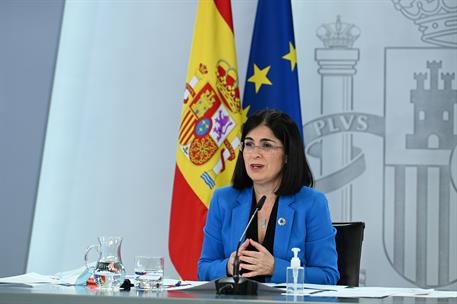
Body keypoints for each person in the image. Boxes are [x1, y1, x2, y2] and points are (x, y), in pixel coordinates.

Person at [197, 109, 339, 284]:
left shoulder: (311, 203)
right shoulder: (224, 199)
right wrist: (227, 266)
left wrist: (275, 268)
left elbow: (327, 276)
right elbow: (203, 269)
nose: (255, 154)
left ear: (287, 155)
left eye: (266, 145)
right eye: (248, 144)